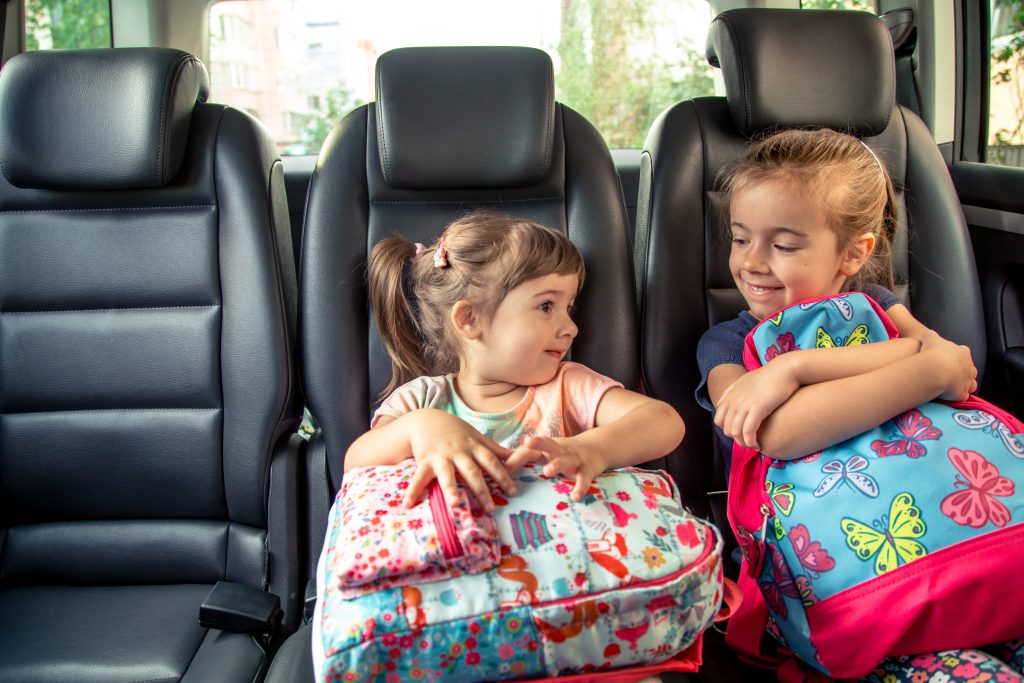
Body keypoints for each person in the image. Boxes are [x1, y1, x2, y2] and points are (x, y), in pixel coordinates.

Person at [696, 128, 1023, 683]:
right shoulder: (727, 345)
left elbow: (954, 370)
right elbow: (775, 433)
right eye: (740, 238)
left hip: (971, 546)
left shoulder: (878, 307)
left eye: (784, 245)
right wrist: (917, 369)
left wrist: (795, 368)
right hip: (848, 584)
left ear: (853, 253)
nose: (751, 262)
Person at [348, 210, 685, 517]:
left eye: (570, 308)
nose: (571, 328)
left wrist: (590, 449)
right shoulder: (420, 402)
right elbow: (355, 463)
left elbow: (665, 421)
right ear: (469, 319)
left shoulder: (569, 387)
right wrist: (419, 428)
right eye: (546, 306)